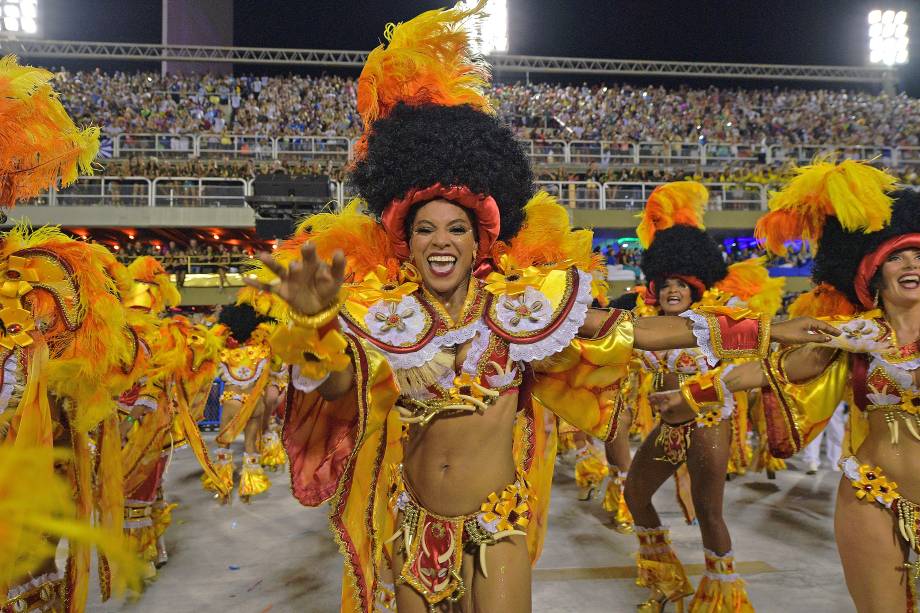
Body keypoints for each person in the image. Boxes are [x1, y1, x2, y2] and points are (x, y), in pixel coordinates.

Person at [245, 5, 833, 611]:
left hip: (497, 522)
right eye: (425, 229)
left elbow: (636, 331)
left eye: (456, 228)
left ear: (480, 241)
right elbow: (343, 387)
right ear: (407, 242)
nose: (441, 240)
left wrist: (767, 328)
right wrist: (314, 325)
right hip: (414, 522)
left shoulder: (521, 310)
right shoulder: (387, 317)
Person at [658, 159, 919, 612]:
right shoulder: (856, 337)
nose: (911, 264)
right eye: (895, 256)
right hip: (873, 497)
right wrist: (692, 395)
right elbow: (770, 369)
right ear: (872, 273)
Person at [622, 181, 785, 613]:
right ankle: (665, 579)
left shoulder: (717, 322)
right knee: (635, 495)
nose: (673, 289)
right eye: (665, 282)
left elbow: (743, 368)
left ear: (697, 285)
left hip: (709, 425)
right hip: (667, 427)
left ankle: (723, 597)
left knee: (709, 512)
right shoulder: (647, 324)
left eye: (682, 282)